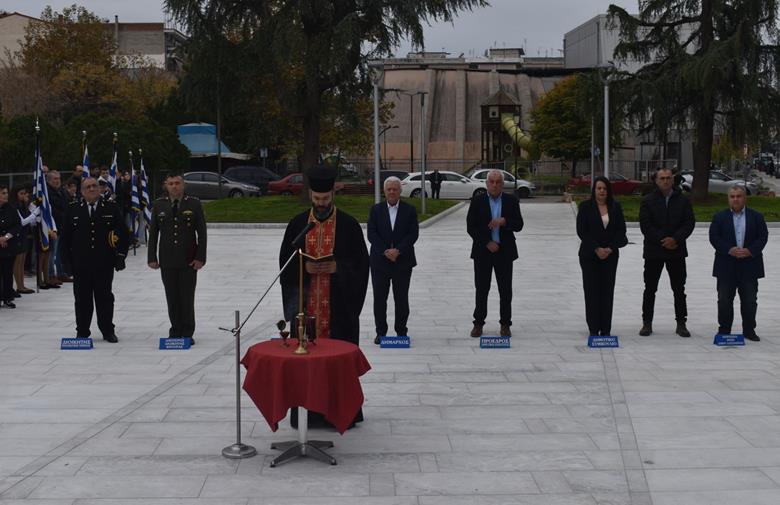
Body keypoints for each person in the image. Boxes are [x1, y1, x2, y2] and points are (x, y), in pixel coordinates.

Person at [279, 165, 369, 428]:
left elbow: (361, 265)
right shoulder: (298, 224)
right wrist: (304, 268)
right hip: (306, 310)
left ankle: (341, 414)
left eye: (325, 198)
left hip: (339, 311)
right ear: (310, 195)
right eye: (317, 199)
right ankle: (307, 415)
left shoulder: (349, 225)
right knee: (305, 361)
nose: (321, 203)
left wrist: (337, 267)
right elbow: (285, 264)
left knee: (337, 360)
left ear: (333, 195)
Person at [60, 177, 128, 342]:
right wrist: (66, 263)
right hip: (80, 263)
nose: (92, 189)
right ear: (82, 191)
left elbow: (123, 233)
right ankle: (82, 331)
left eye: (94, 186)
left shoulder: (111, 208)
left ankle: (107, 330)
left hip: (104, 262)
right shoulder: (73, 209)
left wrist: (120, 256)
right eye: (88, 187)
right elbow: (65, 239)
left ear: (100, 189)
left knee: (105, 297)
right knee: (82, 299)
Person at [148, 174, 207, 344]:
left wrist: (200, 257)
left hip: (188, 259)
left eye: (177, 183)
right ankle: (175, 329)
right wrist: (152, 257)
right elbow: (153, 233)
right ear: (166, 185)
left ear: (183, 185)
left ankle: (187, 331)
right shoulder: (159, 204)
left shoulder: (194, 203)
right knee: (171, 296)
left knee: (187, 297)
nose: (174, 186)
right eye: (171, 183)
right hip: (167, 259)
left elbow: (202, 233)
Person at [638, 167, 695, 337]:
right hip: (654, 251)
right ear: (656, 180)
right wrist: (663, 240)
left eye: (668, 178)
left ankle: (681, 323)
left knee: (679, 289)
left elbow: (689, 223)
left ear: (673, 179)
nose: (665, 181)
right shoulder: (647, 201)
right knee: (650, 288)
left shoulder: (683, 200)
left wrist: (675, 239)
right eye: (662, 178)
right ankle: (647, 323)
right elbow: (646, 226)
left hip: (676, 251)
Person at [466, 169, 523, 338]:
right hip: (483, 251)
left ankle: (505, 324)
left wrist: (504, 221)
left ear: (503, 184)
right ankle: (478, 323)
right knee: (481, 289)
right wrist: (487, 242)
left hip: (505, 252)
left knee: (505, 290)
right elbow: (471, 227)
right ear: (486, 183)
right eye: (491, 181)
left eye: (498, 182)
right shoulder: (477, 201)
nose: (495, 185)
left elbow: (519, 224)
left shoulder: (511, 201)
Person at [709, 185, 768, 341]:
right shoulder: (719, 217)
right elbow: (714, 237)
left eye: (739, 196)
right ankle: (724, 330)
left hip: (750, 265)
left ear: (745, 198)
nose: (735, 199)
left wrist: (750, 251)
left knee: (750, 300)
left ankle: (749, 330)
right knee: (724, 300)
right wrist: (729, 250)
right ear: (728, 199)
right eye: (732, 196)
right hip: (726, 265)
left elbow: (763, 237)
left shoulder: (757, 217)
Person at [367, 176, 419, 344]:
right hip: (380, 262)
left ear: (400, 191)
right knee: (379, 299)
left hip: (402, 262)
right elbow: (371, 233)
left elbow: (413, 233)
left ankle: (401, 331)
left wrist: (398, 250)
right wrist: (385, 251)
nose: (392, 192)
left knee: (401, 299)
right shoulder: (376, 210)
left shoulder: (409, 210)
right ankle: (380, 332)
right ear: (384, 191)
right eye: (389, 189)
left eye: (395, 189)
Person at [576, 176, 628, 336]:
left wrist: (610, 248)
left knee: (607, 292)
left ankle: (606, 329)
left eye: (604, 188)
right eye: (599, 188)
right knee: (592, 292)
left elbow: (621, 231)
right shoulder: (585, 207)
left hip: (610, 256)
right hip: (590, 256)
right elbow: (582, 231)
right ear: (594, 190)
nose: (602, 191)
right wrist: (597, 248)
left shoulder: (615, 207)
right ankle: (593, 328)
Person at [11, 186, 37, 296]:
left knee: (22, 261)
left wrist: (34, 210)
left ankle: (22, 285)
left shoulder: (24, 205)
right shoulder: (15, 206)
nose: (24, 196)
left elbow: (31, 219)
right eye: (21, 193)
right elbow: (22, 222)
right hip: (17, 235)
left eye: (25, 193)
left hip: (24, 235)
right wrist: (34, 214)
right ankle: (19, 286)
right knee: (17, 262)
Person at [0, 184, 22, 308]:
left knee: (7, 273)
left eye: (6, 193)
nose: (6, 195)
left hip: (8, 245)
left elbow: (17, 224)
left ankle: (7, 297)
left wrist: (6, 237)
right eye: (3, 193)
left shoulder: (11, 208)